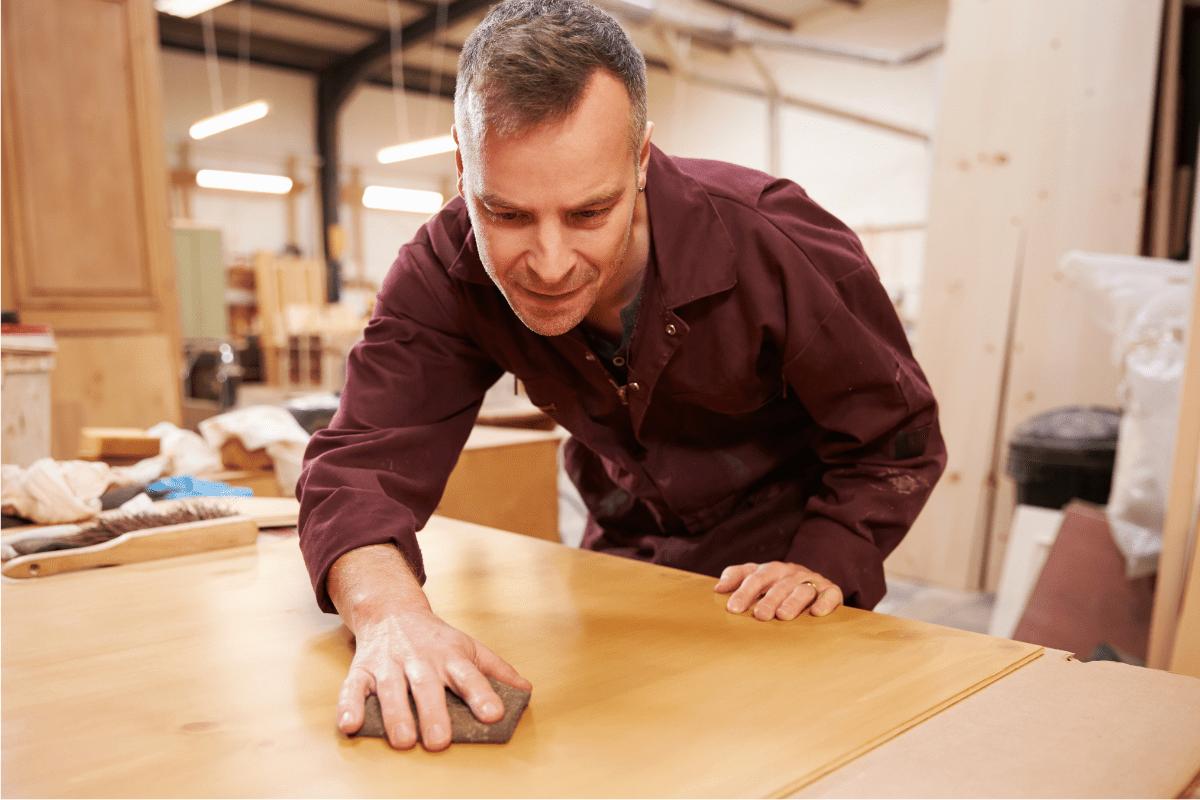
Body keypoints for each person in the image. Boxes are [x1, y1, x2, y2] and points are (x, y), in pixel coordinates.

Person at [297, 0, 946, 752]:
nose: (547, 263)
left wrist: (828, 554)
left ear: (639, 161)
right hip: (628, 559)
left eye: (588, 212)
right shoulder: (442, 271)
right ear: (461, 163)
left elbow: (896, 435)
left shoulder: (773, 241)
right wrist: (389, 614)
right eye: (504, 213)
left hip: (783, 576)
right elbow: (356, 468)